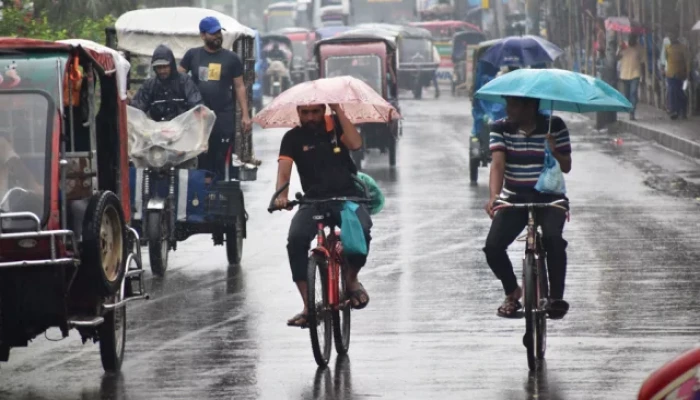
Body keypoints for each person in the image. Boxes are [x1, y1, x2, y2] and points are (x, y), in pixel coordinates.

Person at [273, 104, 372, 327]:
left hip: (347, 198)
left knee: (361, 233)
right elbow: (285, 170)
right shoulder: (292, 138)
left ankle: (351, 279)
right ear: (297, 112)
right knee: (296, 240)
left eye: (316, 112)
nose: (310, 117)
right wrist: (282, 195)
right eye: (305, 113)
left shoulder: (337, 126)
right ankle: (309, 306)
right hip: (313, 201)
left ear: (323, 110)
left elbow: (356, 144)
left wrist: (338, 109)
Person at [484, 96, 572, 320]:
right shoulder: (500, 128)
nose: (509, 109)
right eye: (508, 104)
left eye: (514, 104)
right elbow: (498, 164)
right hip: (515, 197)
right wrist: (494, 196)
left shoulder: (556, 126)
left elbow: (567, 166)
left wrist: (555, 151)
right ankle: (512, 291)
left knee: (553, 239)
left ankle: (555, 298)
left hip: (550, 198)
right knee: (493, 247)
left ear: (530, 106)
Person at [179, 16, 253, 177]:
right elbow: (179, 79)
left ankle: (220, 190)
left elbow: (240, 86)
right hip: (199, 117)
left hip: (223, 116)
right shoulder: (192, 55)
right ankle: (201, 192)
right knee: (201, 156)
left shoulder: (232, 58)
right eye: (213, 33)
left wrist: (246, 115)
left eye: (219, 32)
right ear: (203, 35)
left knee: (221, 157)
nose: (218, 36)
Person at [129, 45, 203, 122]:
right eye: (159, 67)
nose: (162, 71)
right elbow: (137, 108)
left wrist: (198, 111)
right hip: (157, 129)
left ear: (172, 65)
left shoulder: (184, 81)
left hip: (182, 130)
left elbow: (195, 102)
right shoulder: (149, 85)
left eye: (165, 67)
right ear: (154, 68)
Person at [618, 35, 644, 120]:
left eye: (632, 39)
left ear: (635, 39)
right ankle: (629, 109)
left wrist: (642, 75)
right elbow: (617, 57)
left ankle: (632, 113)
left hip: (635, 74)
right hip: (624, 74)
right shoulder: (623, 47)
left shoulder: (640, 48)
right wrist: (620, 49)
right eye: (630, 38)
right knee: (627, 95)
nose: (631, 40)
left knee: (633, 93)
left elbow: (643, 62)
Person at [664, 32, 690, 120]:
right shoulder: (667, 48)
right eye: (670, 37)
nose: (671, 39)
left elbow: (687, 61)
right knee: (671, 93)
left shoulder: (682, 48)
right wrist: (663, 69)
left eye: (672, 37)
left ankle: (682, 110)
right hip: (670, 74)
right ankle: (674, 111)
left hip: (680, 74)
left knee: (679, 93)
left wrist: (687, 72)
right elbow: (665, 60)